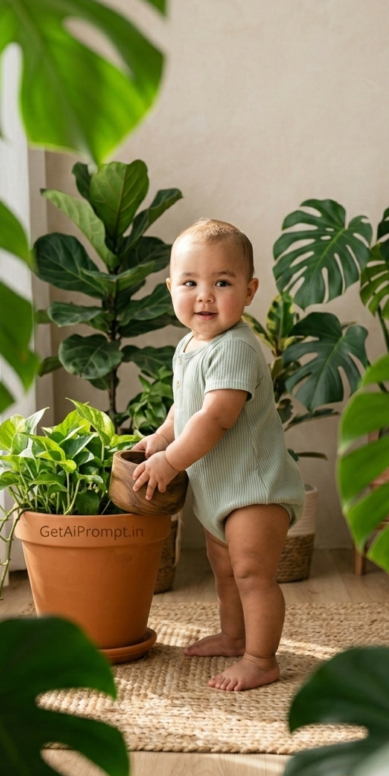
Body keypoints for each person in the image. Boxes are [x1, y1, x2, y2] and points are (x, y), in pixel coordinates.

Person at [131, 219, 305, 691]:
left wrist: (169, 462)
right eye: (190, 283)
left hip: (255, 488)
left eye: (221, 283)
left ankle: (260, 658)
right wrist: (161, 437)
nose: (204, 296)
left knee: (251, 571)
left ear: (249, 291)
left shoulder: (236, 351)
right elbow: (184, 404)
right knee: (225, 568)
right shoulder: (191, 345)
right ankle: (234, 636)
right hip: (220, 488)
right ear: (171, 289)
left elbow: (213, 418)